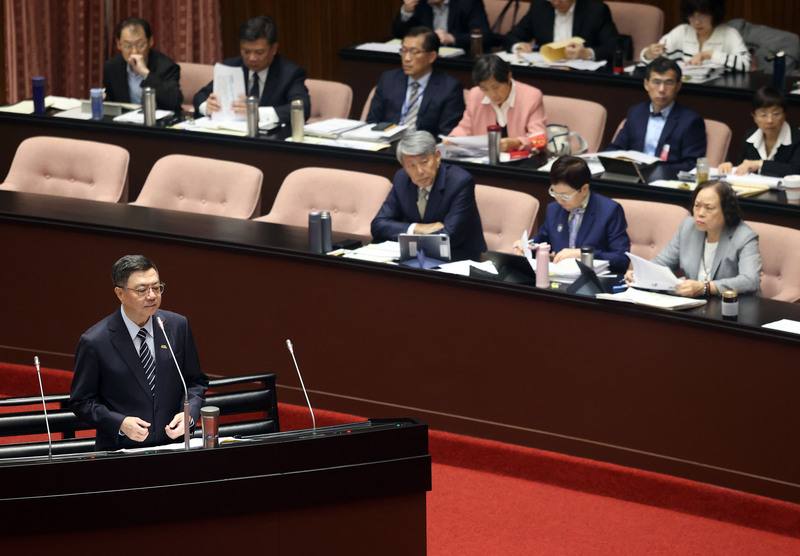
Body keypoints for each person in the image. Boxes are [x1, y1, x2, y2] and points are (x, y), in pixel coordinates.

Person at [70, 255, 208, 450]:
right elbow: (81, 402)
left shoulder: (177, 326)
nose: (152, 295)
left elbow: (196, 383)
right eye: (142, 290)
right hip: (121, 451)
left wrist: (190, 414)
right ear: (120, 293)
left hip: (174, 447)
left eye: (157, 287)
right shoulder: (95, 341)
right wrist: (119, 423)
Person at [625, 181, 762, 297]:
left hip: (730, 307)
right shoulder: (688, 227)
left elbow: (750, 280)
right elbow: (662, 262)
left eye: (709, 208)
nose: (700, 213)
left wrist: (706, 287)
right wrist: (640, 273)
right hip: (692, 304)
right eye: (697, 206)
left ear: (726, 211)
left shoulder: (744, 237)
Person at [371, 130, 486, 260]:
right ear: (403, 166)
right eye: (411, 166)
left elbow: (449, 237)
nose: (419, 171)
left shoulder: (460, 181)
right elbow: (378, 225)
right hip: (416, 257)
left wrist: (406, 234)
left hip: (459, 257)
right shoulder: (401, 178)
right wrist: (417, 228)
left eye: (424, 162)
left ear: (437, 156)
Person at [515, 156, 630, 274]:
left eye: (565, 196)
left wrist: (582, 254)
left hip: (594, 281)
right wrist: (526, 247)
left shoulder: (609, 211)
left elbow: (622, 259)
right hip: (558, 278)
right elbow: (541, 241)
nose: (559, 200)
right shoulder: (553, 209)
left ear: (584, 189)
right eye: (554, 192)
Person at [193, 15, 310, 126]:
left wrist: (255, 113)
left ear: (274, 49)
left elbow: (303, 108)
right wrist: (206, 107)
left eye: (259, 52)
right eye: (246, 51)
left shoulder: (289, 73)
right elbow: (200, 96)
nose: (252, 58)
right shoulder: (231, 66)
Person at [606, 57, 706, 172]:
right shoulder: (636, 112)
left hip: (666, 183)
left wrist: (654, 170)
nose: (662, 89)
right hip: (632, 177)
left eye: (669, 83)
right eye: (656, 82)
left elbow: (692, 164)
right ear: (646, 84)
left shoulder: (690, 121)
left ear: (678, 86)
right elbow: (617, 148)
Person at [366, 27, 465, 137]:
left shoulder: (449, 88)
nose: (407, 58)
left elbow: (446, 134)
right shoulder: (388, 79)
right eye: (403, 51)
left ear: (431, 57)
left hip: (423, 149)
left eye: (414, 52)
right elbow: (372, 122)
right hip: (386, 146)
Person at [449, 54, 546, 152]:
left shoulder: (531, 96)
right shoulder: (475, 94)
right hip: (483, 159)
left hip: (522, 161)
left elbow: (540, 139)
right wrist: (452, 139)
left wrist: (517, 143)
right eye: (484, 89)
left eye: (496, 87)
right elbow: (465, 127)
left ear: (509, 77)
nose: (492, 94)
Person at [640, 0, 750, 72]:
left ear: (715, 14)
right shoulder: (682, 31)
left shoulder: (729, 34)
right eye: (692, 16)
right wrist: (649, 54)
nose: (697, 22)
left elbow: (746, 65)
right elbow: (655, 63)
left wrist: (709, 55)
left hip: (719, 94)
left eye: (702, 16)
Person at [103, 17, 183, 112]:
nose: (134, 51)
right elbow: (111, 103)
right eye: (128, 46)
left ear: (151, 42)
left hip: (158, 122)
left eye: (140, 45)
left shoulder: (167, 67)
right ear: (119, 44)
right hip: (124, 123)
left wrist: (146, 73)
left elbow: (174, 102)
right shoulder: (112, 67)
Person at [718, 87, 800, 177]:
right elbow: (743, 166)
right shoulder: (750, 137)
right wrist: (730, 168)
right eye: (763, 115)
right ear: (754, 117)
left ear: (784, 115)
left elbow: (795, 170)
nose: (770, 120)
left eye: (776, 114)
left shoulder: (796, 138)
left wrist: (760, 164)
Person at [505, 0, 618, 62]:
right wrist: (518, 46)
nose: (556, 2)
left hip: (583, 76)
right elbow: (512, 36)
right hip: (546, 72)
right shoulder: (540, 6)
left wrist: (587, 53)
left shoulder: (596, 9)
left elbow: (614, 47)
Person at [392, 0, 492, 51]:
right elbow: (398, 34)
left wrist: (452, 38)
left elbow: (485, 36)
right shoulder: (419, 3)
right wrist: (406, 11)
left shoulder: (468, 2)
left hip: (459, 61)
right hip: (425, 58)